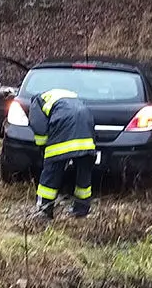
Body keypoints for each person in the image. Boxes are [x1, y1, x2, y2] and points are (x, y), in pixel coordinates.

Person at [28, 89, 96, 220]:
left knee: (51, 172)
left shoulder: (37, 102)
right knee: (84, 174)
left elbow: (39, 128)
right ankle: (82, 209)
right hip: (86, 133)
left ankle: (44, 210)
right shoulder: (69, 97)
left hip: (64, 128)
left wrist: (44, 149)